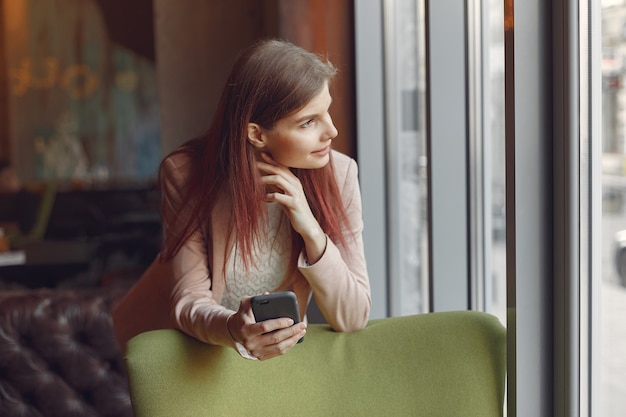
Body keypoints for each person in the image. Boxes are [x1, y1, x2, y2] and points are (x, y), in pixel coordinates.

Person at [112, 38, 371, 361]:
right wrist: (235, 328)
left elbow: (353, 316)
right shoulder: (186, 174)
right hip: (196, 356)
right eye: (308, 122)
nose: (331, 132)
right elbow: (189, 300)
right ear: (257, 134)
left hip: (278, 359)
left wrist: (313, 232)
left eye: (327, 111)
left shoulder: (340, 174)